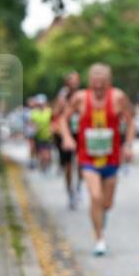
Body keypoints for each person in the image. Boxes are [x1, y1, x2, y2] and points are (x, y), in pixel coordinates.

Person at [60, 64, 136, 256]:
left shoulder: (118, 97)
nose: (99, 86)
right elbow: (63, 119)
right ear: (90, 81)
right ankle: (99, 239)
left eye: (103, 82)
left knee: (107, 204)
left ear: (109, 81)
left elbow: (130, 122)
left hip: (111, 158)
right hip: (88, 157)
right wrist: (67, 138)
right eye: (95, 82)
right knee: (95, 196)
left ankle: (101, 216)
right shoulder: (80, 98)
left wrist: (128, 145)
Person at [53, 71, 83, 209]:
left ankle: (79, 187)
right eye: (71, 80)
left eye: (76, 80)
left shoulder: (82, 96)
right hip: (65, 135)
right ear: (67, 83)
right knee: (68, 166)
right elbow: (55, 113)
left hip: (79, 133)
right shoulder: (62, 96)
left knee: (81, 163)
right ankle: (70, 192)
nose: (74, 83)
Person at [29, 95, 54, 172]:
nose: (41, 105)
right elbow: (31, 124)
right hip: (38, 137)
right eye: (39, 103)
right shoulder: (34, 113)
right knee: (41, 155)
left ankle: (46, 165)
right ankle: (42, 166)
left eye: (42, 103)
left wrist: (52, 128)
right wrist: (34, 128)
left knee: (47, 155)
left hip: (48, 137)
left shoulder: (50, 111)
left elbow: (54, 121)